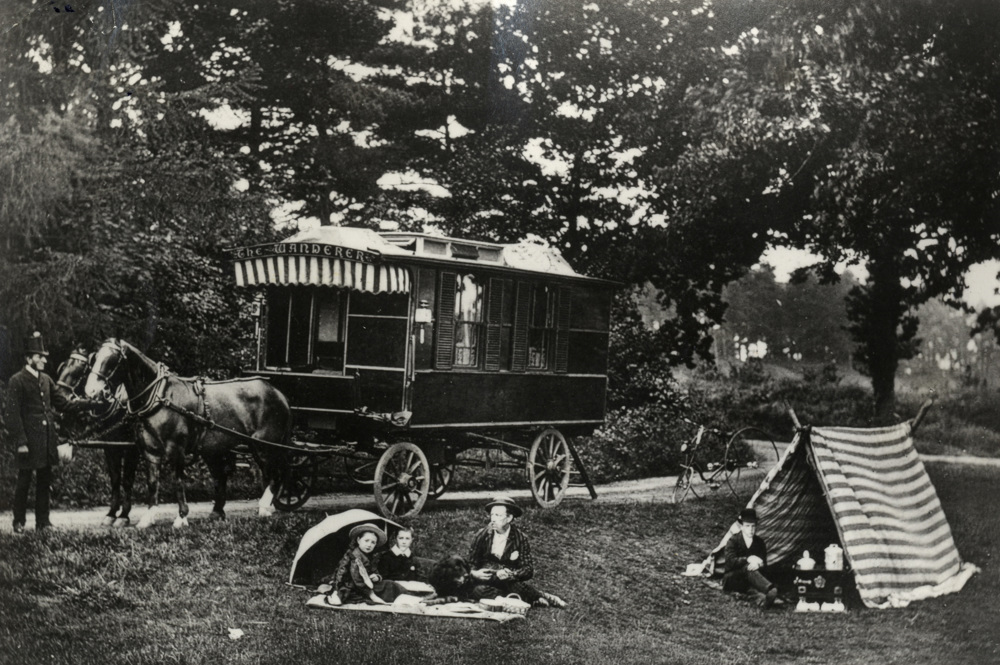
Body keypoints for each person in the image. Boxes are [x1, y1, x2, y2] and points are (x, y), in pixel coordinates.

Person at [5, 332, 75, 534]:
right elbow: (12, 414)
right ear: (29, 359)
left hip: (46, 440)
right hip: (28, 441)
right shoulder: (17, 381)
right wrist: (21, 441)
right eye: (39, 356)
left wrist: (90, 404)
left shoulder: (46, 379)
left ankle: (42, 522)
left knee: (45, 481)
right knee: (24, 481)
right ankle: (18, 522)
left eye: (43, 356)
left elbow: (63, 403)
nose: (44, 359)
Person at [467, 495, 567, 608]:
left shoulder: (520, 538)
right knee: (478, 590)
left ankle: (538, 597)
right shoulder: (482, 535)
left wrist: (512, 574)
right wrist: (475, 573)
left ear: (509, 518)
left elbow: (528, 569)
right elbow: (471, 562)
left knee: (516, 587)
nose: (493, 519)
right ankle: (528, 598)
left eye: (498, 515)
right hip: (486, 580)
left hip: (508, 582)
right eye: (492, 515)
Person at [328, 523, 407, 605]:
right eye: (366, 541)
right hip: (353, 585)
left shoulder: (369, 556)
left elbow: (374, 570)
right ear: (358, 540)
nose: (369, 545)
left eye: (373, 542)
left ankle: (406, 596)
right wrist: (371, 594)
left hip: (367, 584)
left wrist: (377, 577)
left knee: (389, 584)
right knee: (344, 593)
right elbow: (355, 578)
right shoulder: (354, 556)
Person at [723, 508, 778, 608]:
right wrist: (747, 559)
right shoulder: (733, 540)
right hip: (733, 579)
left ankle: (762, 599)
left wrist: (758, 564)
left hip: (751, 581)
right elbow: (730, 562)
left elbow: (764, 564)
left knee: (756, 592)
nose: (751, 529)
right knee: (747, 567)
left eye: (753, 526)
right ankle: (770, 589)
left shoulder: (759, 542)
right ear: (742, 526)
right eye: (747, 526)